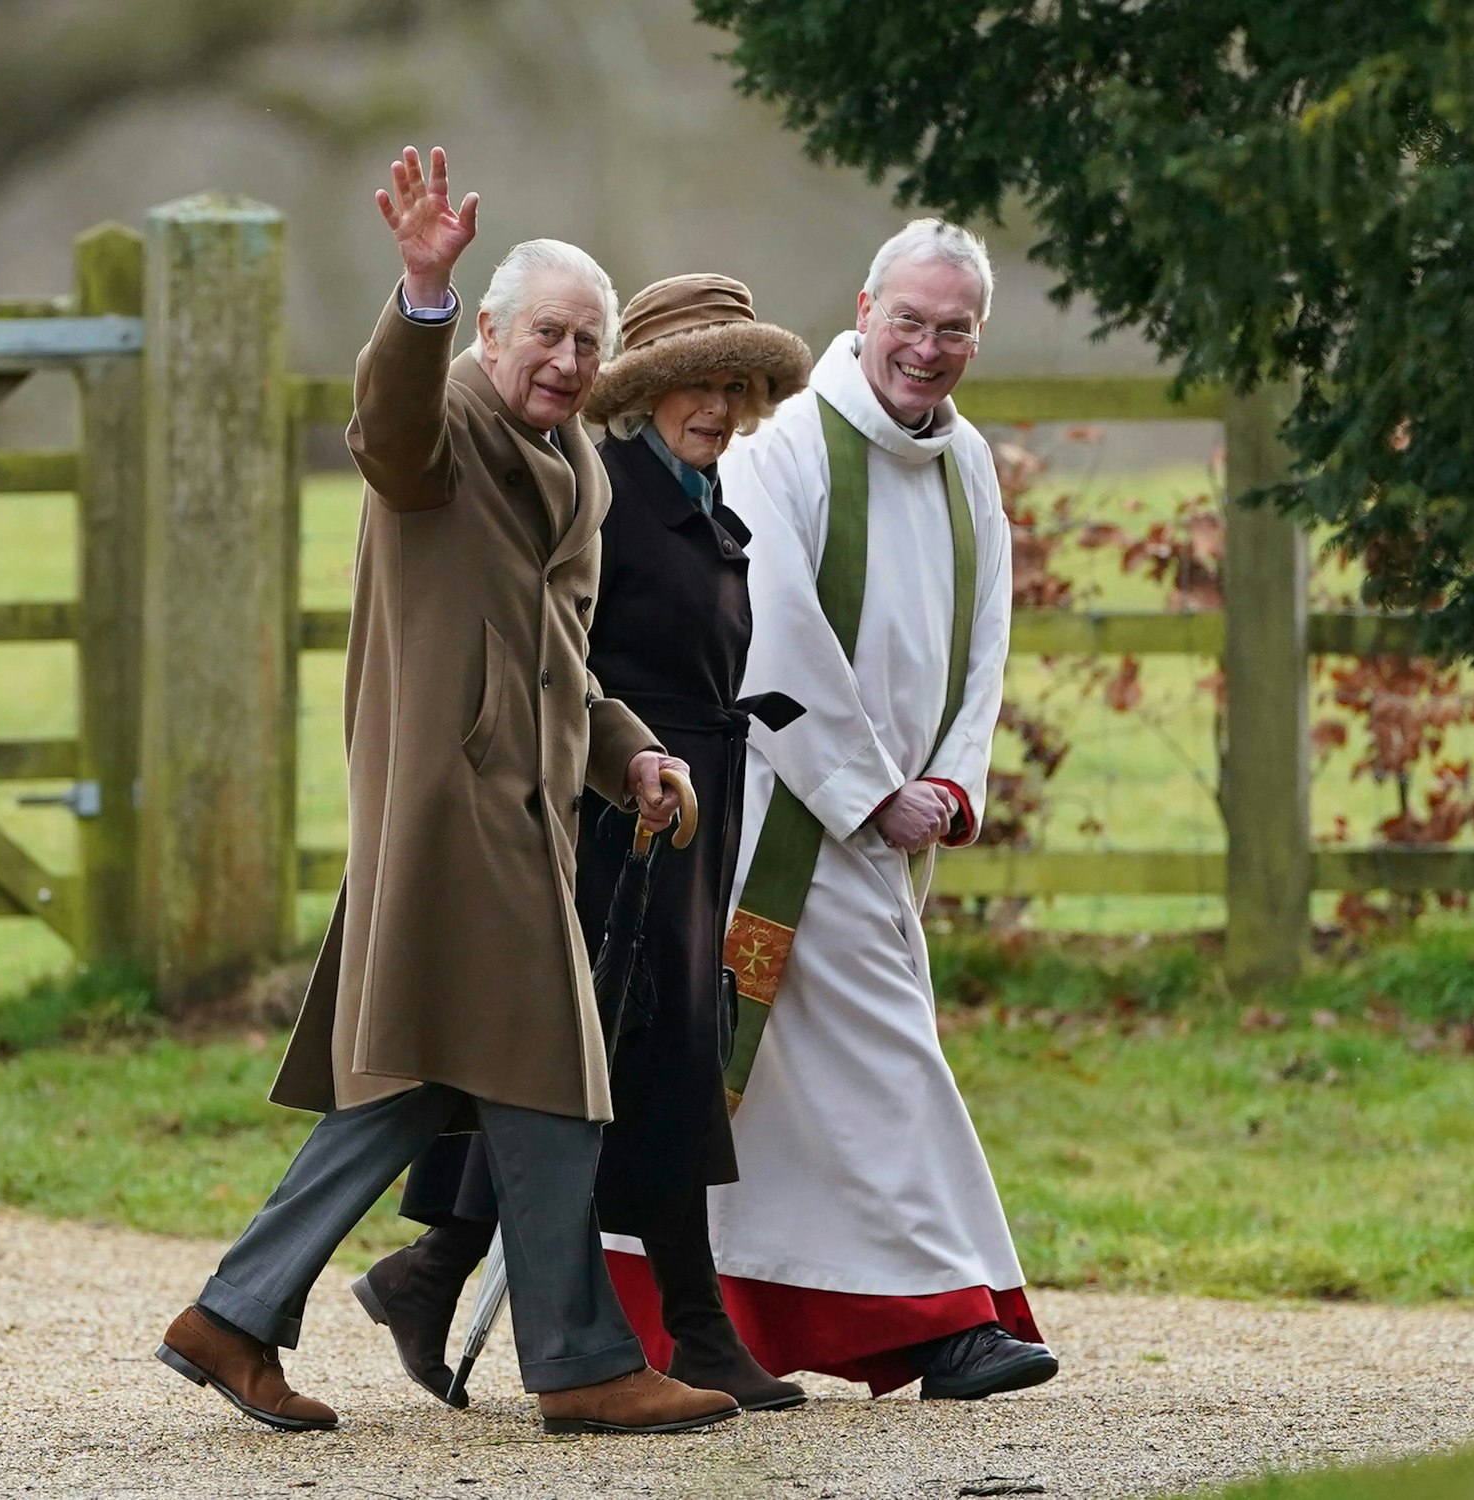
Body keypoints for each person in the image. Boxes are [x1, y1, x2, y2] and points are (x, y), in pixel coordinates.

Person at [154, 147, 739, 1438]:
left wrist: (630, 754)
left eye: (587, 342)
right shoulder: (448, 425)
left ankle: (234, 1316)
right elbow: (386, 428)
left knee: (422, 1084)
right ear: (489, 334)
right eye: (547, 334)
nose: (568, 361)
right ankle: (580, 1361)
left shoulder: (576, 462)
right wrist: (418, 294)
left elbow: (560, 661)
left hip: (528, 812)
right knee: (556, 1079)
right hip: (451, 812)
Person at [613, 219, 1061, 1401]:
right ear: (864, 311)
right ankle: (947, 1320)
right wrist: (869, 793)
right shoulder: (789, 445)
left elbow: (986, 636)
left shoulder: (966, 462)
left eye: (952, 328)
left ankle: (670, 1316)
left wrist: (950, 784)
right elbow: (770, 633)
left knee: (774, 1096)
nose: (926, 347)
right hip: (784, 815)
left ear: (976, 338)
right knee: (883, 1058)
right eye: (907, 320)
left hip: (896, 823)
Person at [352, 274, 814, 1414]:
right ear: (645, 391)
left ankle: (432, 1272)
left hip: (681, 797)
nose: (719, 405)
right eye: (697, 383)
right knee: (604, 1059)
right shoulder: (606, 488)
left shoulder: (698, 494)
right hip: (605, 817)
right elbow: (556, 652)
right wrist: (613, 765)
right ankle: (681, 1327)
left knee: (628, 1058)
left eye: (737, 386)